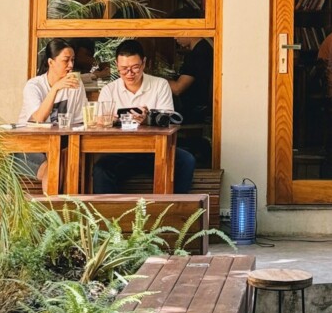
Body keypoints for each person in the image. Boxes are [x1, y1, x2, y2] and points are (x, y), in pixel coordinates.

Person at [93, 39, 196, 194]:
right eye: (124, 69)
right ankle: (110, 210)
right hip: (122, 151)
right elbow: (100, 122)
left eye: (135, 67)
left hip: (156, 151)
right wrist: (112, 121)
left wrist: (147, 120)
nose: (129, 73)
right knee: (101, 169)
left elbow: (168, 120)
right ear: (116, 65)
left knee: (186, 160)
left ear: (144, 63)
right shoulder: (109, 90)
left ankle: (173, 208)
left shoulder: (160, 85)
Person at [17, 38, 88, 191]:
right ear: (51, 62)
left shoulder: (76, 84)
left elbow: (80, 121)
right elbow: (38, 119)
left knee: (61, 159)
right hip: (30, 145)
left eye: (73, 60)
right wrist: (55, 89)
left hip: (59, 145)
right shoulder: (34, 86)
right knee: (54, 165)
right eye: (66, 60)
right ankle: (53, 205)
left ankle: (56, 205)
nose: (71, 65)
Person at [167, 36, 214, 166]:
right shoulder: (205, 47)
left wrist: (155, 79)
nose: (175, 37)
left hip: (195, 110)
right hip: (199, 106)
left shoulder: (198, 54)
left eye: (177, 33)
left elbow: (178, 88)